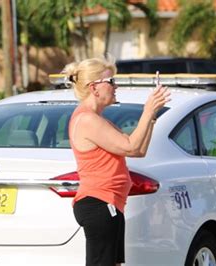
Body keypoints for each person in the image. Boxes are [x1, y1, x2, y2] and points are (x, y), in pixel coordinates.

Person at [63, 58, 170, 266]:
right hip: (98, 203)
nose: (115, 86)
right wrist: (147, 111)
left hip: (109, 204)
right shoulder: (87, 120)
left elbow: (138, 150)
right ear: (94, 88)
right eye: (111, 81)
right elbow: (130, 146)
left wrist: (151, 115)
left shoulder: (98, 119)